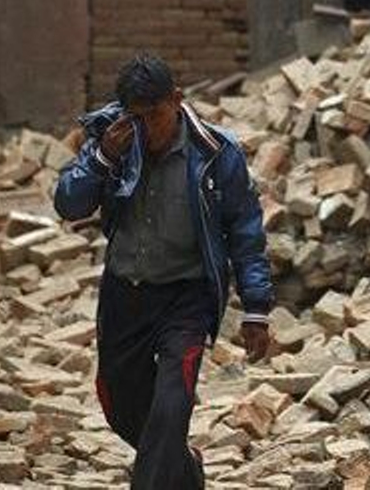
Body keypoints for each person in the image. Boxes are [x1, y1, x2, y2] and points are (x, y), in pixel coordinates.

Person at [54, 55, 275, 489]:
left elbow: (246, 231)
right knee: (119, 406)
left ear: (176, 101)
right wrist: (101, 158)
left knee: (172, 404)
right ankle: (185, 469)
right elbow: (68, 204)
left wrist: (256, 309)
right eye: (134, 117)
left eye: (153, 115)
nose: (145, 128)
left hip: (186, 299)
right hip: (126, 294)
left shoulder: (215, 153)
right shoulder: (112, 141)